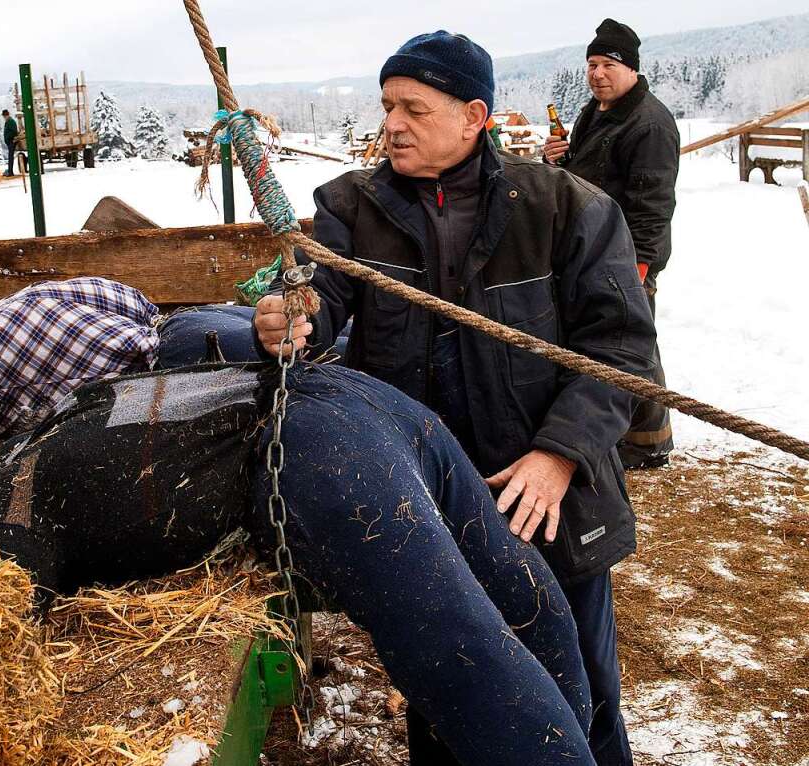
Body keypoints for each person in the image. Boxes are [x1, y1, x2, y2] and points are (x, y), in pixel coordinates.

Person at [254, 31, 656, 766]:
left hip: (544, 503)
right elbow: (327, 301)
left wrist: (558, 455)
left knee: (580, 693)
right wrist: (294, 321)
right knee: (448, 695)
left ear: (474, 117)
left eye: (412, 107)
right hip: (427, 510)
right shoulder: (352, 207)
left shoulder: (565, 209)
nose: (392, 124)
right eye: (386, 106)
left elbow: (621, 352)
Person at [0, 359, 598, 766]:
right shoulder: (71, 411)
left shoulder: (0, 509)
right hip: (364, 398)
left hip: (310, 444)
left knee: (462, 650)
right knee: (527, 602)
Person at [543, 19, 680, 470]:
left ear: (631, 69)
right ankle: (625, 434)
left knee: (633, 347)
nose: (598, 73)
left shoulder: (650, 124)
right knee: (611, 342)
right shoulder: (596, 111)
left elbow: (652, 203)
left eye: (608, 64)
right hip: (592, 247)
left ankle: (647, 442)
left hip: (625, 254)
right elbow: (587, 175)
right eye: (592, 64)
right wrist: (558, 159)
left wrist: (640, 265)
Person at [0, 278, 159, 491]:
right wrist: (145, 315)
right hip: (148, 343)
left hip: (144, 359)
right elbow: (99, 293)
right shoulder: (12, 309)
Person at [2, 109, 18, 177]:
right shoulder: (8, 121)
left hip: (11, 141)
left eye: (4, 116)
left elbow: (14, 131)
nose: (4, 117)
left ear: (6, 115)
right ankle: (10, 170)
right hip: (9, 141)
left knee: (10, 156)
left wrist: (8, 137)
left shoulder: (10, 121)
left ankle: (10, 171)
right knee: (10, 156)